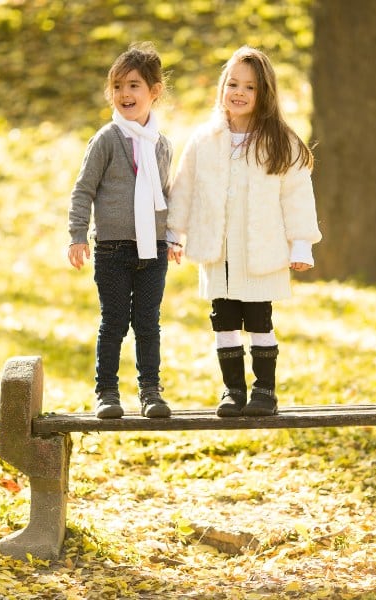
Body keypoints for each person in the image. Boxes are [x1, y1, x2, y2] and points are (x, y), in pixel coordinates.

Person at [168, 46, 322, 417]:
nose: (238, 92)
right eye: (232, 83)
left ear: (264, 94)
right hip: (218, 253)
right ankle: (232, 391)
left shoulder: (279, 143)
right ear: (222, 87)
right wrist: (174, 233)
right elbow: (184, 188)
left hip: (260, 254)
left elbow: (297, 196)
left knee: (258, 322)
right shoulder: (204, 141)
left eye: (249, 87)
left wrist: (300, 245)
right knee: (223, 323)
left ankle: (264, 391)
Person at [68, 43, 182, 419]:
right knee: (114, 322)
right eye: (117, 86)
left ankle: (151, 391)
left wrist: (174, 237)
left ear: (155, 91)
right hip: (113, 250)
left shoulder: (161, 145)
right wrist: (77, 235)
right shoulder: (106, 140)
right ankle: (107, 392)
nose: (124, 94)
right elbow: (84, 189)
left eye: (133, 85)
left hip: (153, 250)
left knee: (148, 323)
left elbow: (166, 195)